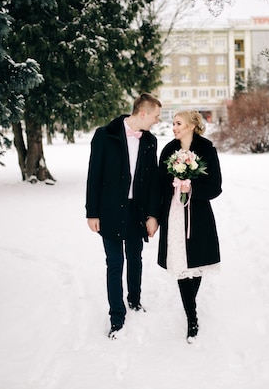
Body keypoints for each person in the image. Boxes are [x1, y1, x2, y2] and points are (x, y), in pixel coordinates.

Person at [85, 93, 162, 339]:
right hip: (109, 211)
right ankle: (116, 316)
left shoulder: (150, 141)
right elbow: (94, 175)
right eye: (156, 116)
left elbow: (152, 183)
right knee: (115, 262)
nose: (157, 121)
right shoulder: (104, 135)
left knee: (135, 258)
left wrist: (153, 215)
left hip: (136, 211)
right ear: (143, 113)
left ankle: (135, 300)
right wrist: (92, 212)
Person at [157, 110, 222, 343]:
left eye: (178, 123)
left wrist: (191, 188)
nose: (173, 127)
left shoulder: (206, 150)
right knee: (180, 264)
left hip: (198, 214)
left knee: (195, 262)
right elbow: (159, 186)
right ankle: (191, 317)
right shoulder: (167, 151)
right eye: (173, 123)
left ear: (192, 126)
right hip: (173, 214)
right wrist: (154, 216)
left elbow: (215, 186)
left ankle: (190, 307)